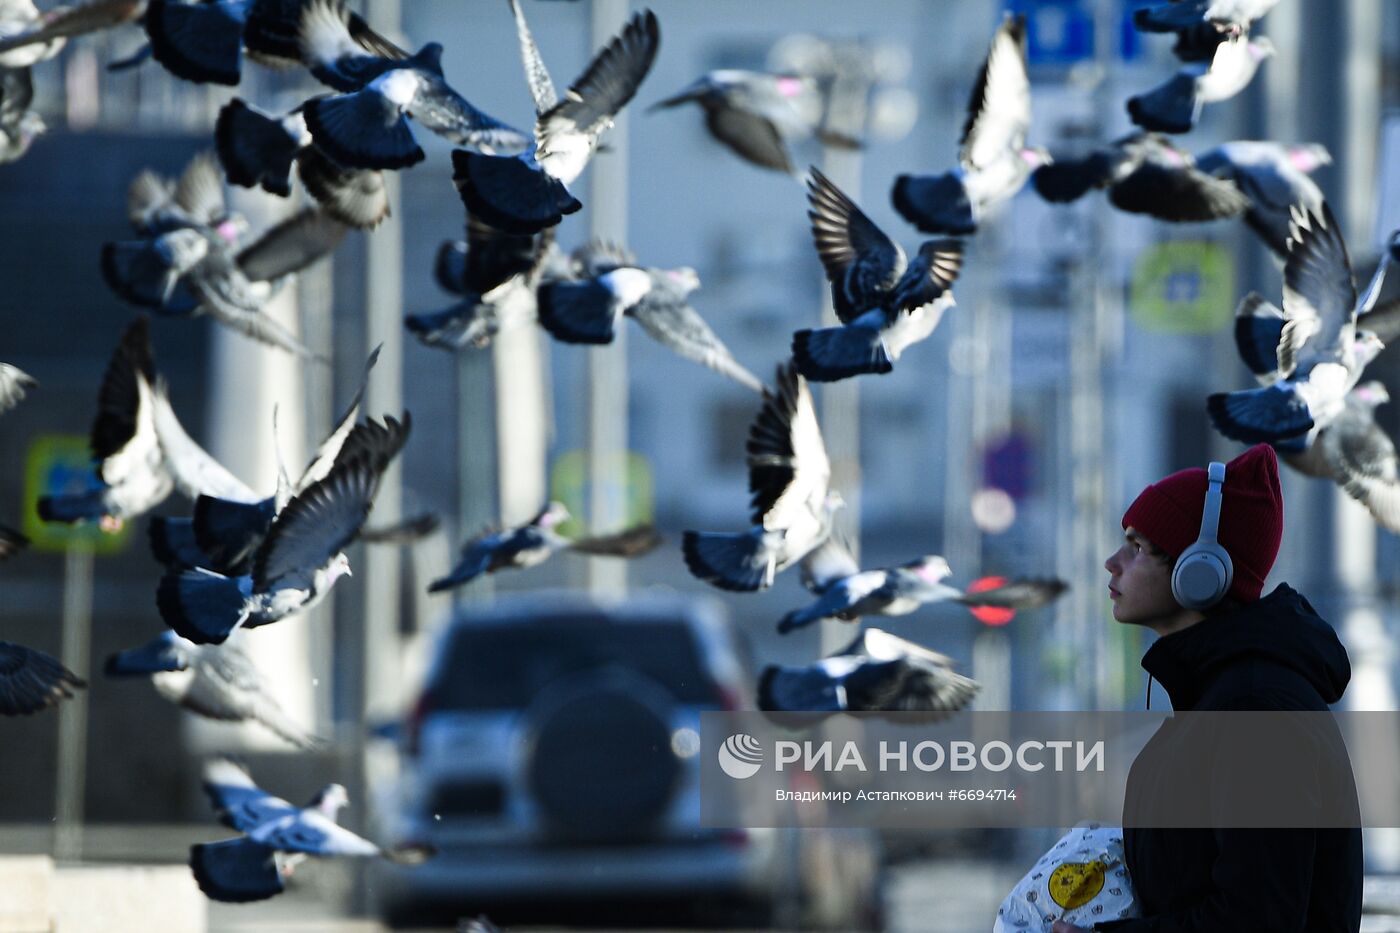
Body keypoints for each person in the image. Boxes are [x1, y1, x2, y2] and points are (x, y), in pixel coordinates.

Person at [1052, 443, 1362, 933]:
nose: (1112, 562)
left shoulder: (1256, 712)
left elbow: (1256, 919)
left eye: (1137, 546)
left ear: (1199, 573)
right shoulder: (1215, 705)